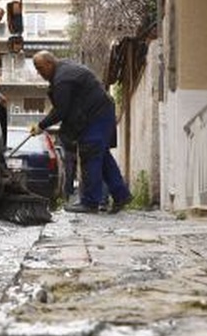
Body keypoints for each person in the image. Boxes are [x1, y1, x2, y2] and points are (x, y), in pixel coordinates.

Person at [29, 50, 132, 214]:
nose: (39, 72)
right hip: (100, 113)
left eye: (40, 68)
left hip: (95, 117)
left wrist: (41, 125)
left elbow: (61, 110)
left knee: (90, 153)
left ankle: (90, 202)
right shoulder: (64, 70)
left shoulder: (62, 79)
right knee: (102, 156)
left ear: (50, 63)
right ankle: (121, 195)